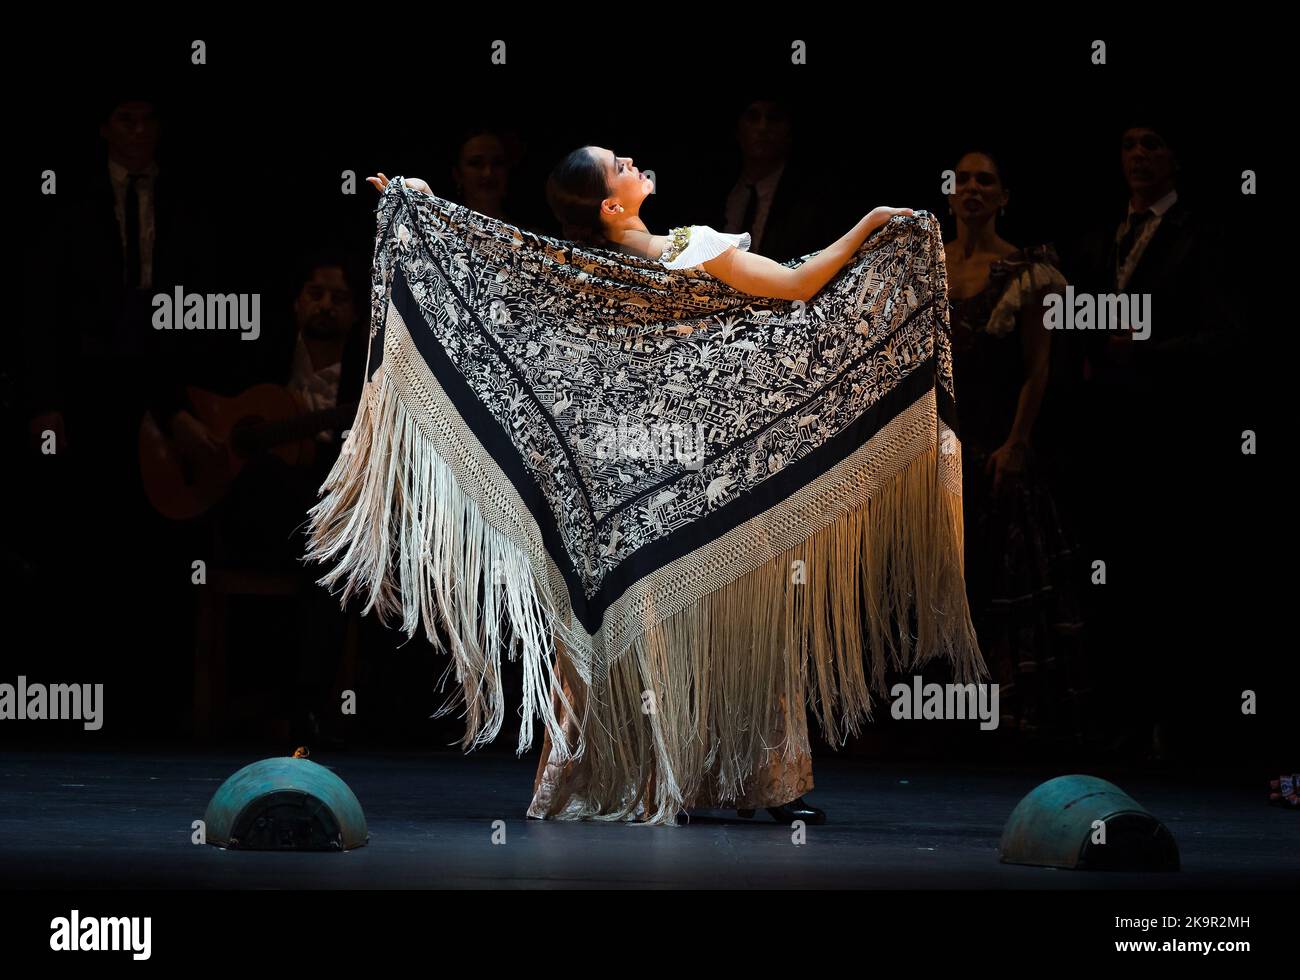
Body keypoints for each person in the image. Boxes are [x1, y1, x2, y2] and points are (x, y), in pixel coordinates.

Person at [367, 150, 914, 822]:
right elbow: (795, 284)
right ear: (611, 205)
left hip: (689, 474)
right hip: (630, 481)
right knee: (633, 627)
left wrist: (869, 228)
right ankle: (657, 783)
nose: (631, 159)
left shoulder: (676, 250)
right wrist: (870, 228)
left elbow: (795, 289)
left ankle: (749, 781)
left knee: (709, 623)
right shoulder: (587, 269)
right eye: (616, 163)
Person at [942, 150, 1093, 752]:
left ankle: (1011, 720)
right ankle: (937, 720)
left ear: (1004, 196)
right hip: (941, 444)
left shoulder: (1028, 270)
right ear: (950, 194)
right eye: (964, 180)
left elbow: (1038, 369)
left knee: (1007, 573)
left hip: (997, 440)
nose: (974, 188)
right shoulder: (929, 265)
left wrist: (1017, 442)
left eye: (987, 180)